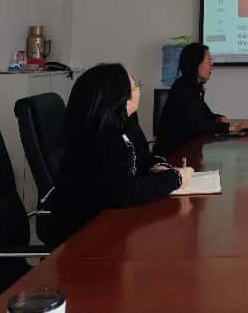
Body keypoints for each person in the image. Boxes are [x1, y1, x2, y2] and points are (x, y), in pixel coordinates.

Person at [51, 63, 192, 244]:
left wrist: (157, 166)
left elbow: (141, 156)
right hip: (83, 240)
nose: (139, 89)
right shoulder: (100, 138)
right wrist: (175, 178)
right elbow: (125, 192)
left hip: (106, 228)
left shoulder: (122, 125)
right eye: (135, 86)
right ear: (122, 99)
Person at [155, 43, 248, 156]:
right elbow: (198, 126)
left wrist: (217, 118)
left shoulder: (193, 88)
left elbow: (206, 115)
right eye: (208, 61)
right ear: (196, 64)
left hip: (188, 150)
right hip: (173, 155)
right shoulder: (183, 90)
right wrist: (234, 127)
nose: (212, 66)